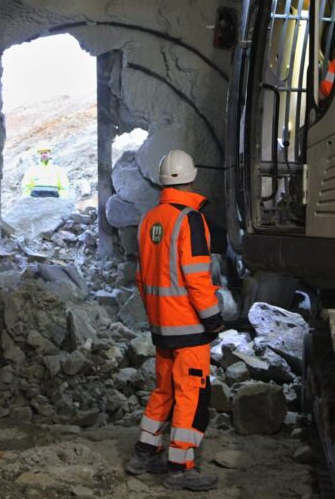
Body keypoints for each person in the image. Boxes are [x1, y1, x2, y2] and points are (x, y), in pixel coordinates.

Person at [126, 149, 223, 492]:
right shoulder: (190, 219)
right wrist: (213, 317)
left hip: (162, 326)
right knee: (191, 395)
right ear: (192, 179)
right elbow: (197, 277)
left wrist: (156, 316)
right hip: (190, 327)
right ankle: (181, 467)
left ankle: (143, 453)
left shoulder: (150, 218)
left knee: (164, 390)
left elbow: (141, 277)